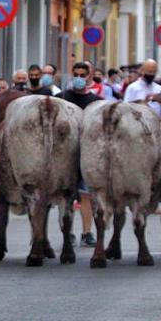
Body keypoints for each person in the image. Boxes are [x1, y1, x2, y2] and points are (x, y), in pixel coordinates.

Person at [55, 61, 100, 246]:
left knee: (86, 194)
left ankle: (87, 232)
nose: (79, 78)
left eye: (83, 75)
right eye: (76, 75)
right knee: (64, 196)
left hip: (86, 155)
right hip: (63, 155)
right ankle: (68, 232)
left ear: (90, 76)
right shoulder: (61, 98)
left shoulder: (96, 102)